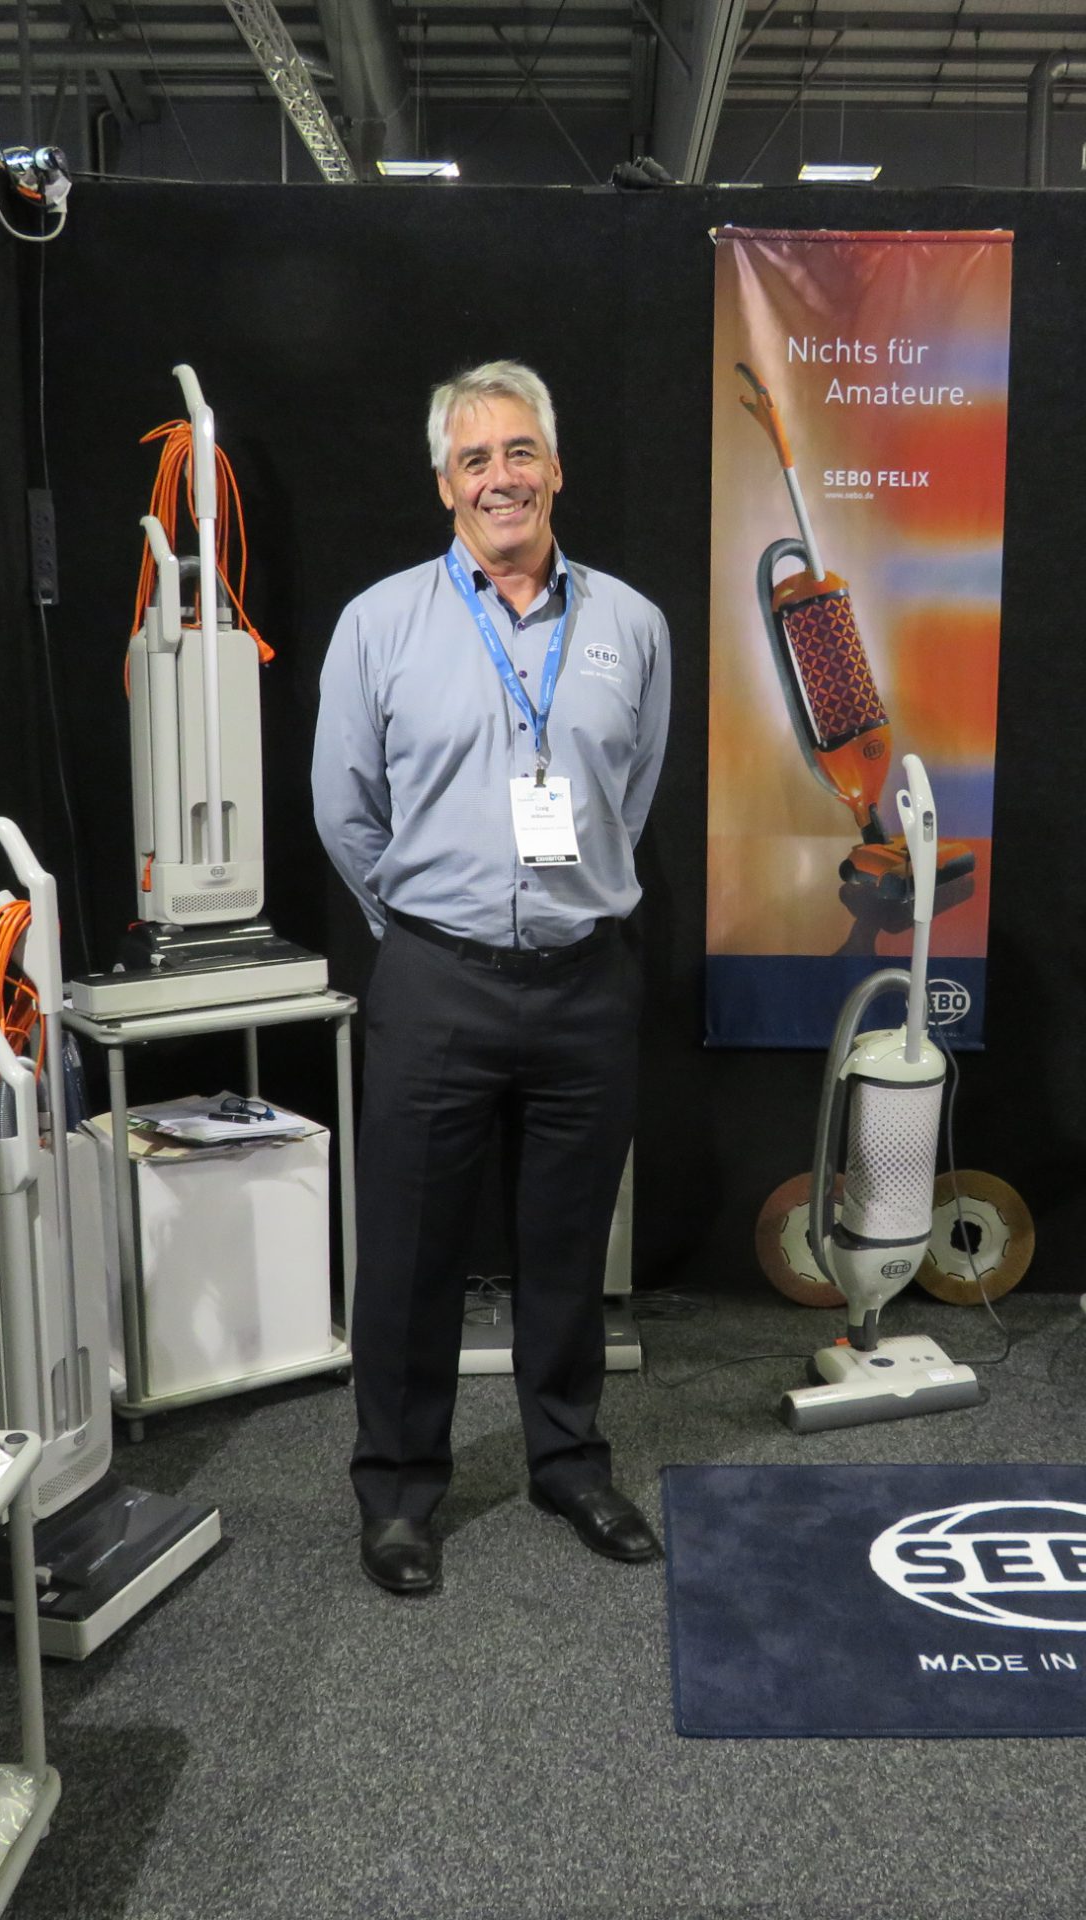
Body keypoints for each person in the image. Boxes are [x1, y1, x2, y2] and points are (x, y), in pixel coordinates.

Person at [311, 360, 672, 1598]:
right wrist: (417, 926)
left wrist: (568, 902)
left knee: (568, 1245)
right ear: (444, 486)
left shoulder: (631, 625)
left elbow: (630, 793)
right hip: (436, 980)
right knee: (409, 1251)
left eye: (520, 452)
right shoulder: (380, 624)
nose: (500, 478)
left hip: (587, 980)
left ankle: (567, 1462)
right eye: (475, 460)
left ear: (555, 468)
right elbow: (344, 808)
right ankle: (399, 1490)